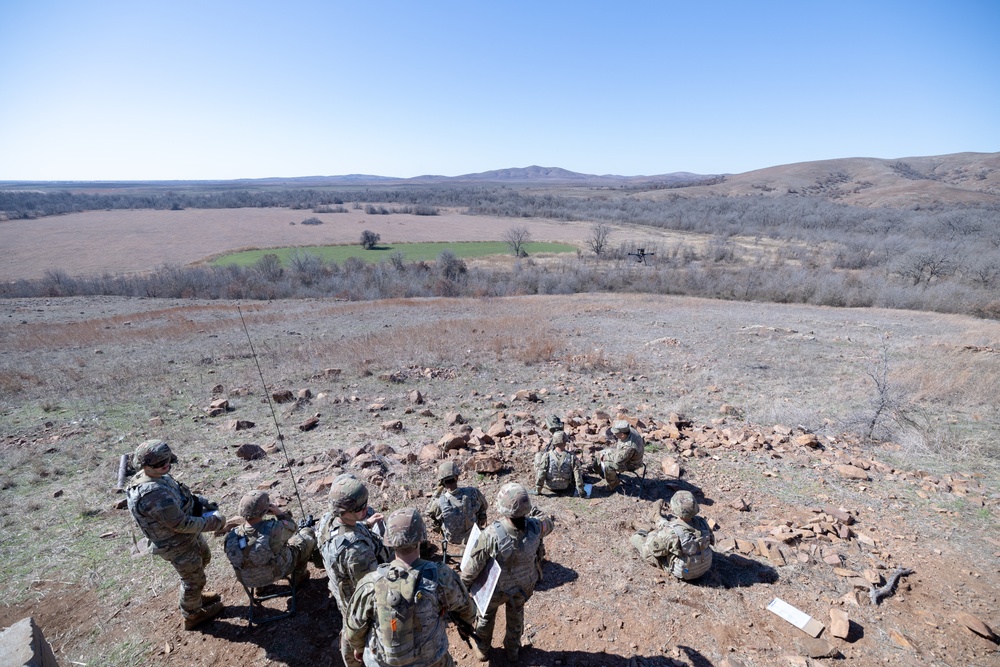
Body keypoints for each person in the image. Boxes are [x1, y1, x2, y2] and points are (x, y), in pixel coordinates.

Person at [345, 508, 478, 667]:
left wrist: (359, 648)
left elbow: (354, 628)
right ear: (421, 538)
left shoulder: (370, 583)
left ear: (389, 541)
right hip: (431, 660)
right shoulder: (441, 575)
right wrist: (465, 624)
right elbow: (467, 609)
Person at [125, 439, 227, 630]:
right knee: (192, 579)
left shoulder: (157, 476)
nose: (165, 465)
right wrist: (215, 522)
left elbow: (180, 495)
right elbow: (180, 524)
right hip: (176, 543)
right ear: (145, 466)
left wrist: (202, 502)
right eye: (159, 464)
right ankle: (193, 615)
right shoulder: (152, 493)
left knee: (203, 559)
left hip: (188, 536)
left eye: (167, 461)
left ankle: (195, 597)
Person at [460, 482, 555, 663]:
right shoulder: (536, 527)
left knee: (486, 616)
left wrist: (462, 587)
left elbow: (472, 570)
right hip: (523, 586)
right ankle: (513, 650)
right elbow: (549, 523)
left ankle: (482, 649)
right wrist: (533, 511)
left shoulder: (491, 535)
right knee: (516, 615)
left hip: (495, 589)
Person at [317, 475, 393, 667]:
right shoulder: (356, 551)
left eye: (365, 504)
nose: (365, 510)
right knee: (356, 633)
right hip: (355, 602)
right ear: (343, 511)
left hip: (340, 590)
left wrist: (363, 524)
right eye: (359, 509)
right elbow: (373, 589)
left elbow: (342, 530)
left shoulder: (327, 519)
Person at [224, 490, 318, 589]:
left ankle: (260, 588)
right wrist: (279, 513)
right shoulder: (274, 528)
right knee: (306, 539)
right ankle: (299, 577)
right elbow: (293, 527)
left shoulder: (231, 536)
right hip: (278, 572)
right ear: (266, 509)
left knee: (252, 558)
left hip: (247, 580)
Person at [629, 491, 714, 580]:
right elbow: (711, 541)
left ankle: (642, 531)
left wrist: (652, 534)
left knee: (644, 548)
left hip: (685, 572)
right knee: (670, 529)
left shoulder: (671, 532)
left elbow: (653, 549)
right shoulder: (702, 522)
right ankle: (656, 517)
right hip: (704, 565)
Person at [426, 460, 488, 550]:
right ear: (457, 477)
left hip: (452, 539)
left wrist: (438, 491)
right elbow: (484, 506)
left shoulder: (439, 501)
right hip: (473, 535)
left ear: (442, 482)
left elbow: (429, 513)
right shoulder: (473, 492)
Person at [594, 419, 645, 492]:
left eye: (616, 433)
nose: (614, 434)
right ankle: (602, 473)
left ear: (622, 434)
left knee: (608, 464)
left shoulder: (629, 447)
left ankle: (613, 483)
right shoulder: (628, 430)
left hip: (631, 463)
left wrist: (606, 456)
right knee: (601, 454)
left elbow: (618, 461)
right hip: (625, 456)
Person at [533, 431, 586, 497]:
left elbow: (541, 473)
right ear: (565, 442)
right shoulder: (571, 456)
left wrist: (538, 490)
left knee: (538, 458)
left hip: (550, 485)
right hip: (565, 486)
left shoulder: (547, 455)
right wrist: (581, 492)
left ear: (554, 442)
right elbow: (577, 475)